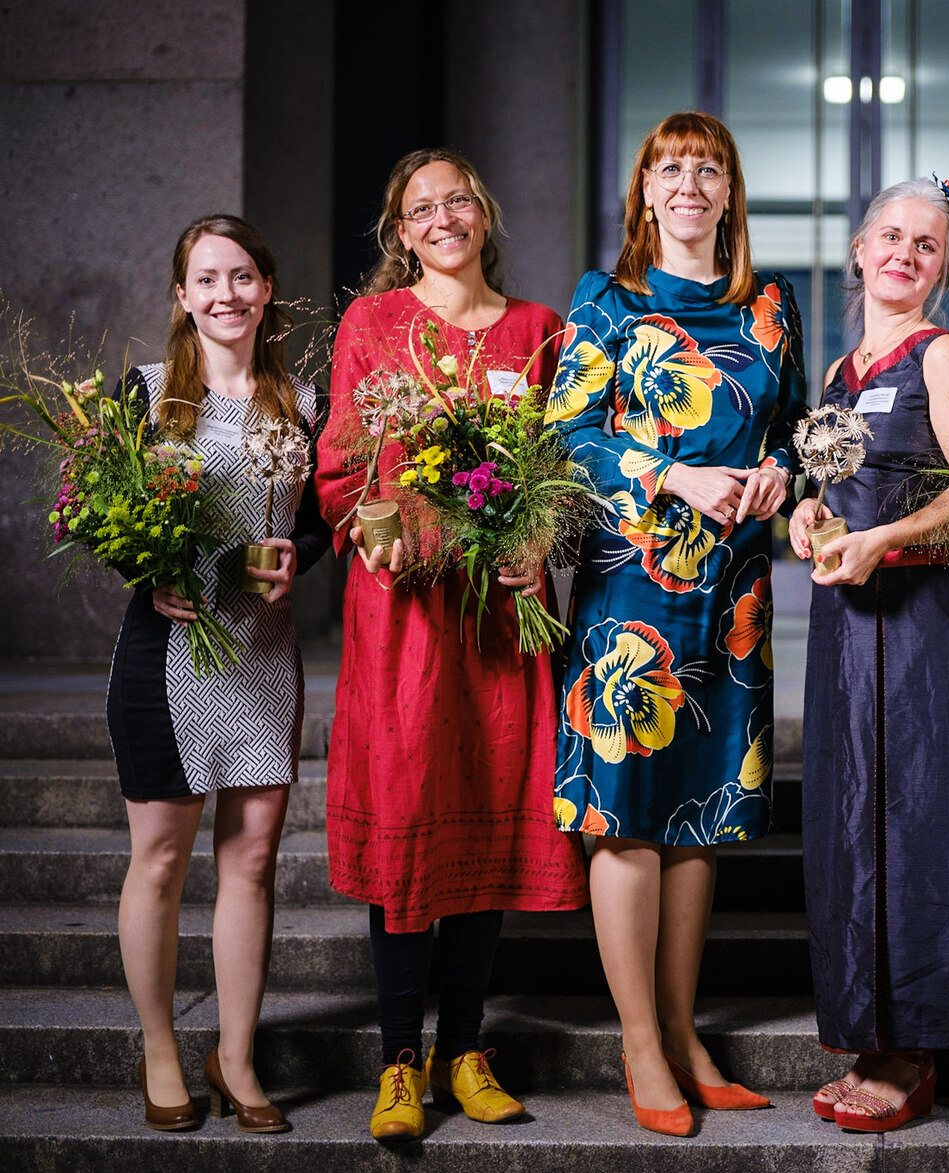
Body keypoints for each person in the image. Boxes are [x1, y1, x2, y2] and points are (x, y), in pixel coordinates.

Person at [314, 148, 588, 1142]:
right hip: (405, 620)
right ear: (399, 232)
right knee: (408, 811)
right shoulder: (371, 324)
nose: (441, 218)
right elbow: (341, 464)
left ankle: (462, 1051)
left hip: (500, 616)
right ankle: (396, 1061)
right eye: (421, 208)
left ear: (485, 215)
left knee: (487, 813)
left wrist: (535, 541)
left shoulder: (536, 330)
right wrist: (393, 536)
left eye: (457, 200)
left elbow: (566, 467)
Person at [545, 111, 807, 1137]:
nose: (690, 183)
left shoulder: (769, 308)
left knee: (700, 821)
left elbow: (787, 426)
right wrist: (672, 473)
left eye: (709, 168)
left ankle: (686, 1030)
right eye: (670, 167)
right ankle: (640, 1043)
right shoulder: (605, 301)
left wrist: (782, 471)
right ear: (644, 192)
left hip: (735, 595)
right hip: (630, 593)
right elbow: (565, 439)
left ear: (730, 193)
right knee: (629, 815)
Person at [790, 176, 949, 1132]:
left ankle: (915, 1047)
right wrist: (811, 516)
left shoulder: (944, 355)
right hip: (846, 627)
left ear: (942, 267)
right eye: (891, 236)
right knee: (851, 817)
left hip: (916, 622)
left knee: (914, 817)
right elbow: (835, 490)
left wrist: (886, 539)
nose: (905, 254)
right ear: (861, 250)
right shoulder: (839, 374)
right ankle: (868, 1032)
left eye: (927, 243)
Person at [110, 214, 324, 1134]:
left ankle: (235, 1056)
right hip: (167, 657)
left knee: (253, 863)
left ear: (265, 289)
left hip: (263, 654)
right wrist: (145, 568)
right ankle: (162, 1044)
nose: (226, 294)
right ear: (182, 296)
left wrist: (297, 557)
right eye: (207, 279)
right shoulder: (150, 396)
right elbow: (101, 507)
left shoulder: (303, 402)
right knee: (159, 861)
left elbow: (317, 522)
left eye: (242, 276)